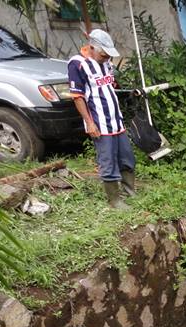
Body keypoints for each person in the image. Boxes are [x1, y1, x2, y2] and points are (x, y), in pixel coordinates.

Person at [68, 29, 136, 209]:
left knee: (127, 157)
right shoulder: (78, 64)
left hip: (116, 121)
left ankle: (130, 191)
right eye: (103, 54)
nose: (106, 58)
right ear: (91, 48)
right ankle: (115, 200)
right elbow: (78, 97)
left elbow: (110, 86)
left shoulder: (106, 63)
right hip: (100, 124)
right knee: (108, 160)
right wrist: (90, 123)